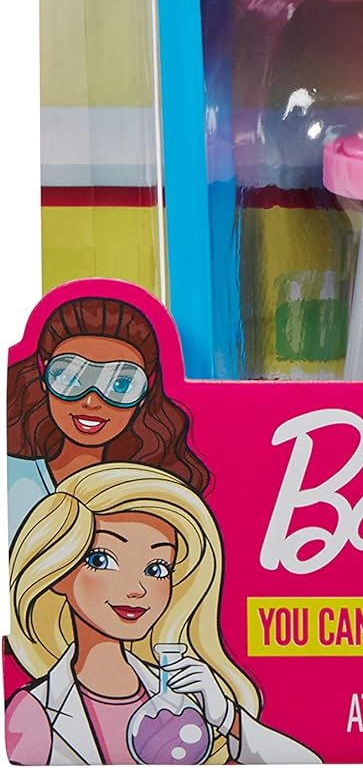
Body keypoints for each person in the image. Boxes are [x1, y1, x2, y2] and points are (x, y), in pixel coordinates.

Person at [5, 463, 318, 764]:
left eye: (157, 569)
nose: (137, 589)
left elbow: (311, 763)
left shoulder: (184, 697)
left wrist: (226, 717)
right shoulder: (36, 711)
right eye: (102, 560)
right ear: (59, 571)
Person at [7, 298, 210, 543]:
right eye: (69, 378)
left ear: (145, 393)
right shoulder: (12, 476)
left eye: (120, 385)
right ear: (44, 378)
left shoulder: (151, 492)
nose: (91, 401)